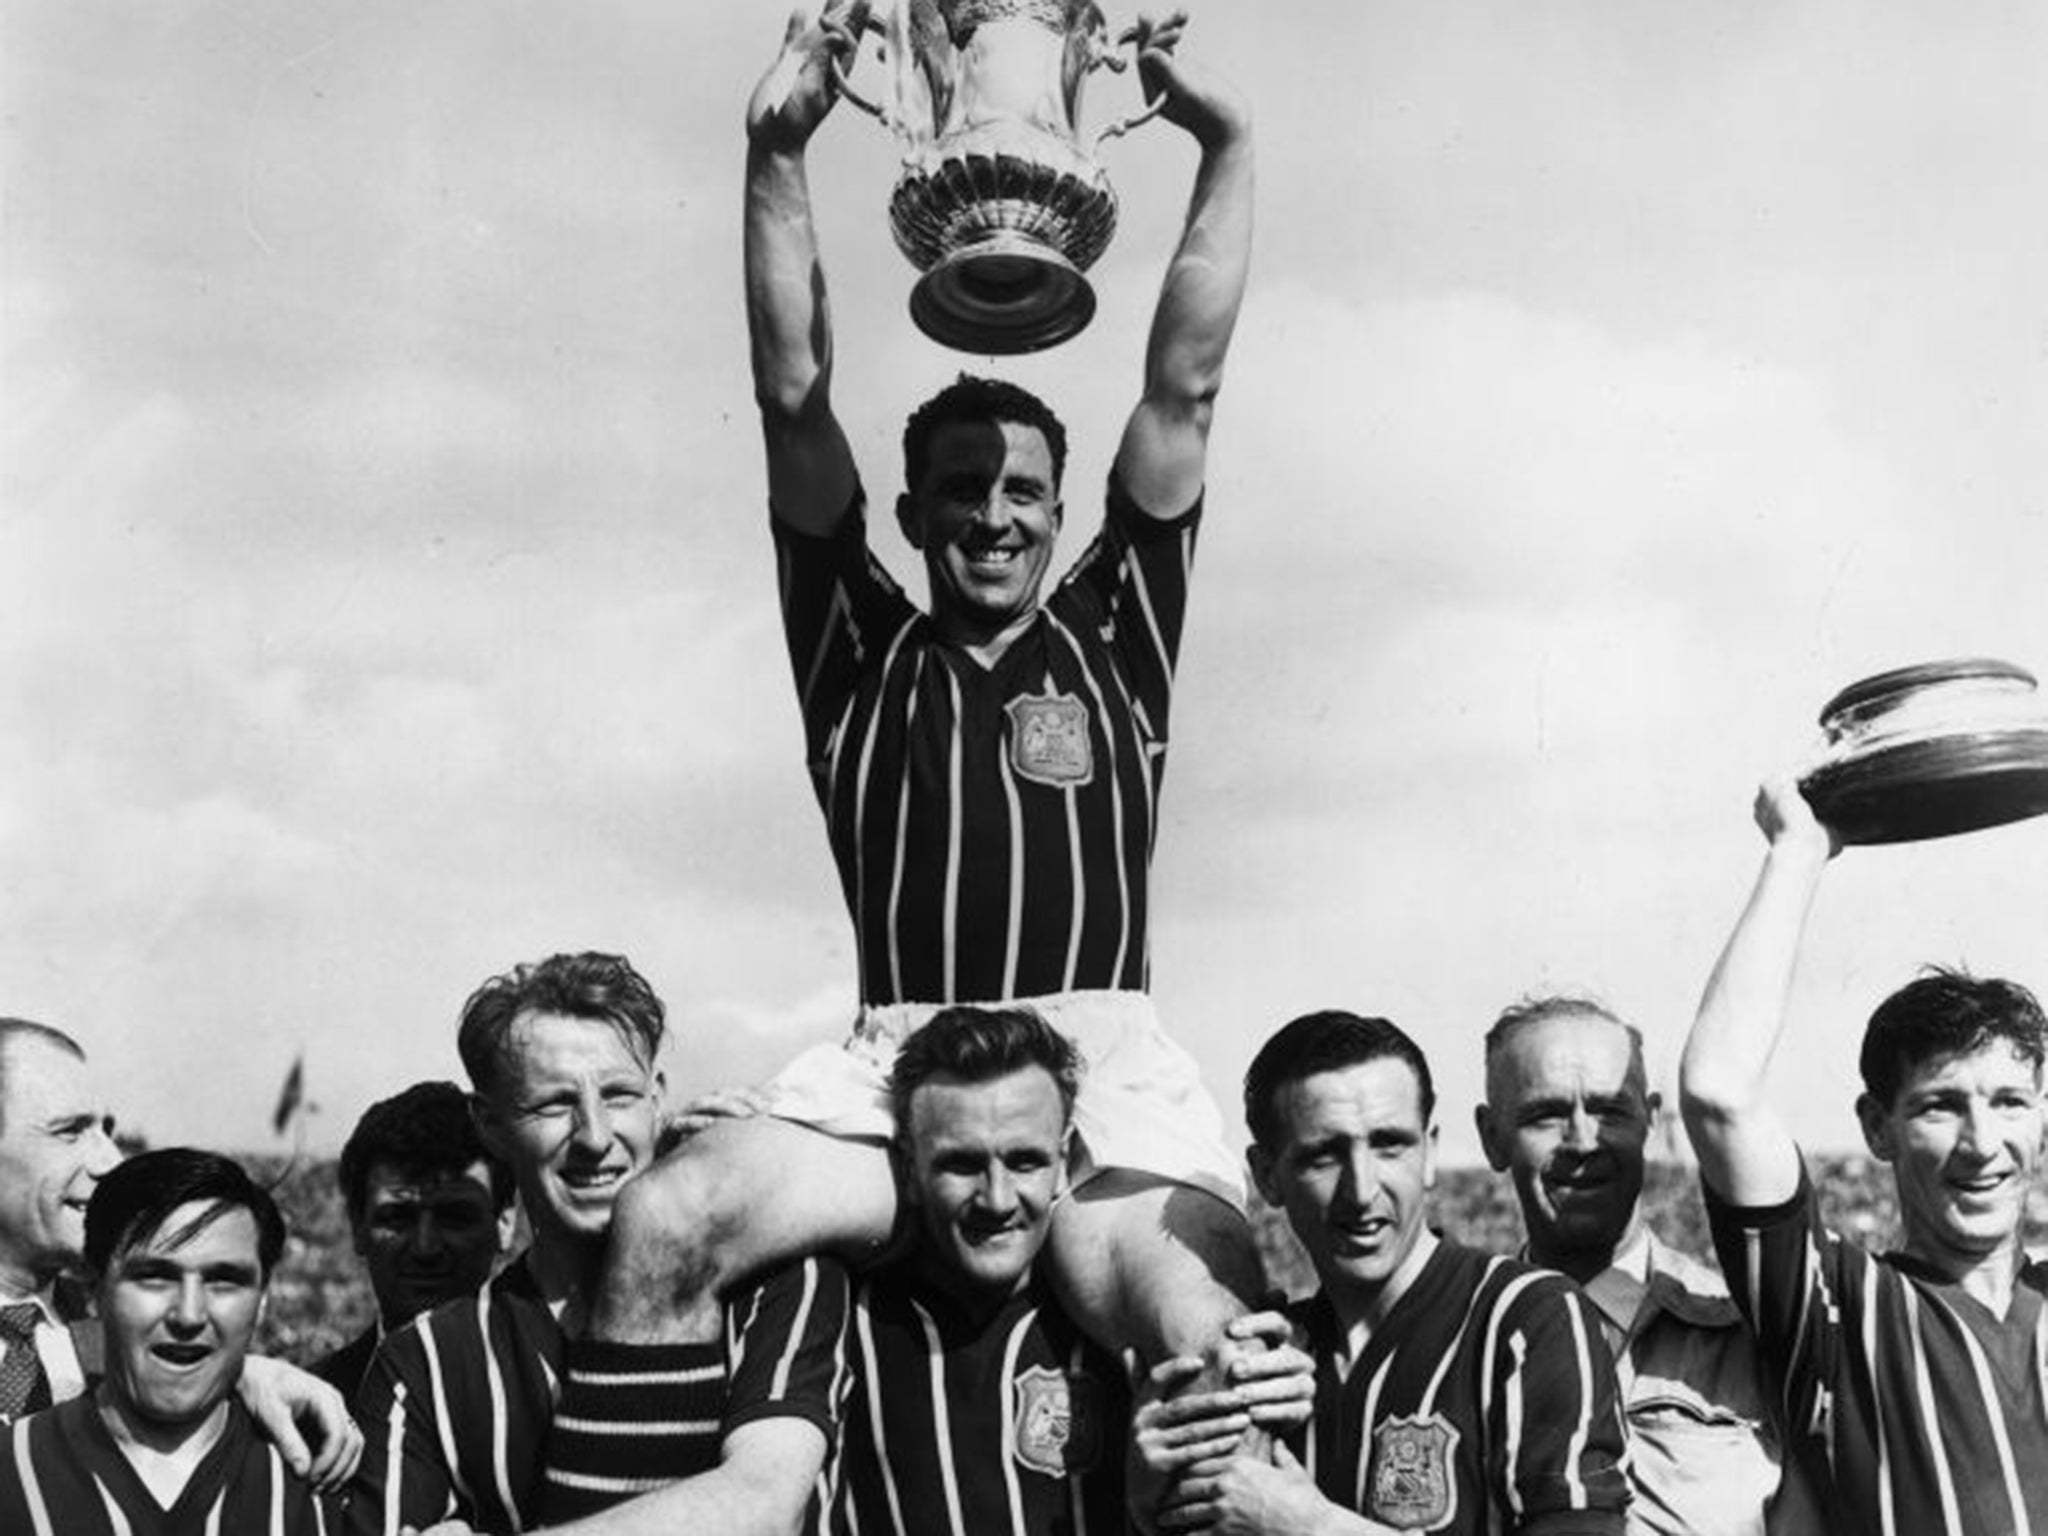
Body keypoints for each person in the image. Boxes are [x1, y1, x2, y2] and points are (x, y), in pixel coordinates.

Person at [592, 0, 1263, 1402]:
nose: (997, 517)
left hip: (1094, 1065)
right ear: (910, 510)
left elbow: (1185, 385)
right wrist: (775, 147)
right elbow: (791, 394)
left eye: (1024, 491)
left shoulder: (1116, 634)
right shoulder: (858, 647)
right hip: (896, 1071)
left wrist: (1225, 141)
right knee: (663, 1223)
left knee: (1196, 1321)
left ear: (1063, 507)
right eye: (963, 490)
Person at [347, 952, 850, 1536]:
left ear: (658, 1099)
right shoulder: (425, 1363)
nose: (594, 1136)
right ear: (489, 1124)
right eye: (554, 1104)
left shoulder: (774, 1284)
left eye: (618, 1096)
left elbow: (766, 1509)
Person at [1679, 774, 2048, 1535]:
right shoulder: (1839, 1308)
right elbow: (1718, 1092)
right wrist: (1798, 852)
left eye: (2010, 1101)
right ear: (1878, 1128)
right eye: (1941, 1106)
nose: (1983, 1144)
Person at [1153, 1009, 1630, 1535]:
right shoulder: (1267, 1363)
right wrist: (1148, 1494)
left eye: (1389, 1145)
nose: (1362, 1190)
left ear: (1429, 1152)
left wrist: (1311, 1527)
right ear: (1268, 1175)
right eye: (1323, 1156)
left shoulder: (1526, 1317)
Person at [1475, 996, 1819, 1536]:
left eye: (1610, 1110)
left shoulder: (1750, 1330)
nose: (1583, 1140)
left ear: (1650, 1121)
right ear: (1492, 1137)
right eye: (1546, 1114)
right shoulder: (1467, 1341)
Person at [0, 1016, 360, 1485]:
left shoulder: (109, 1332)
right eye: (70, 1131)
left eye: (106, 1129)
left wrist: (236, 1377)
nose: (110, 1160)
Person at [0, 1148, 343, 1534]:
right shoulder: (13, 1470)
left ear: (262, 1301)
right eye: (155, 1276)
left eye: (224, 1280)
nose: (189, 1314)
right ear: (94, 1292)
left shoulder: (320, 1478)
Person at [313, 1080, 517, 1403]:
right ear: (357, 1226)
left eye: (454, 1216)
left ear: (505, 1221)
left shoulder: (549, 1390)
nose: (425, 1247)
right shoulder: (309, 1406)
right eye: (397, 1218)